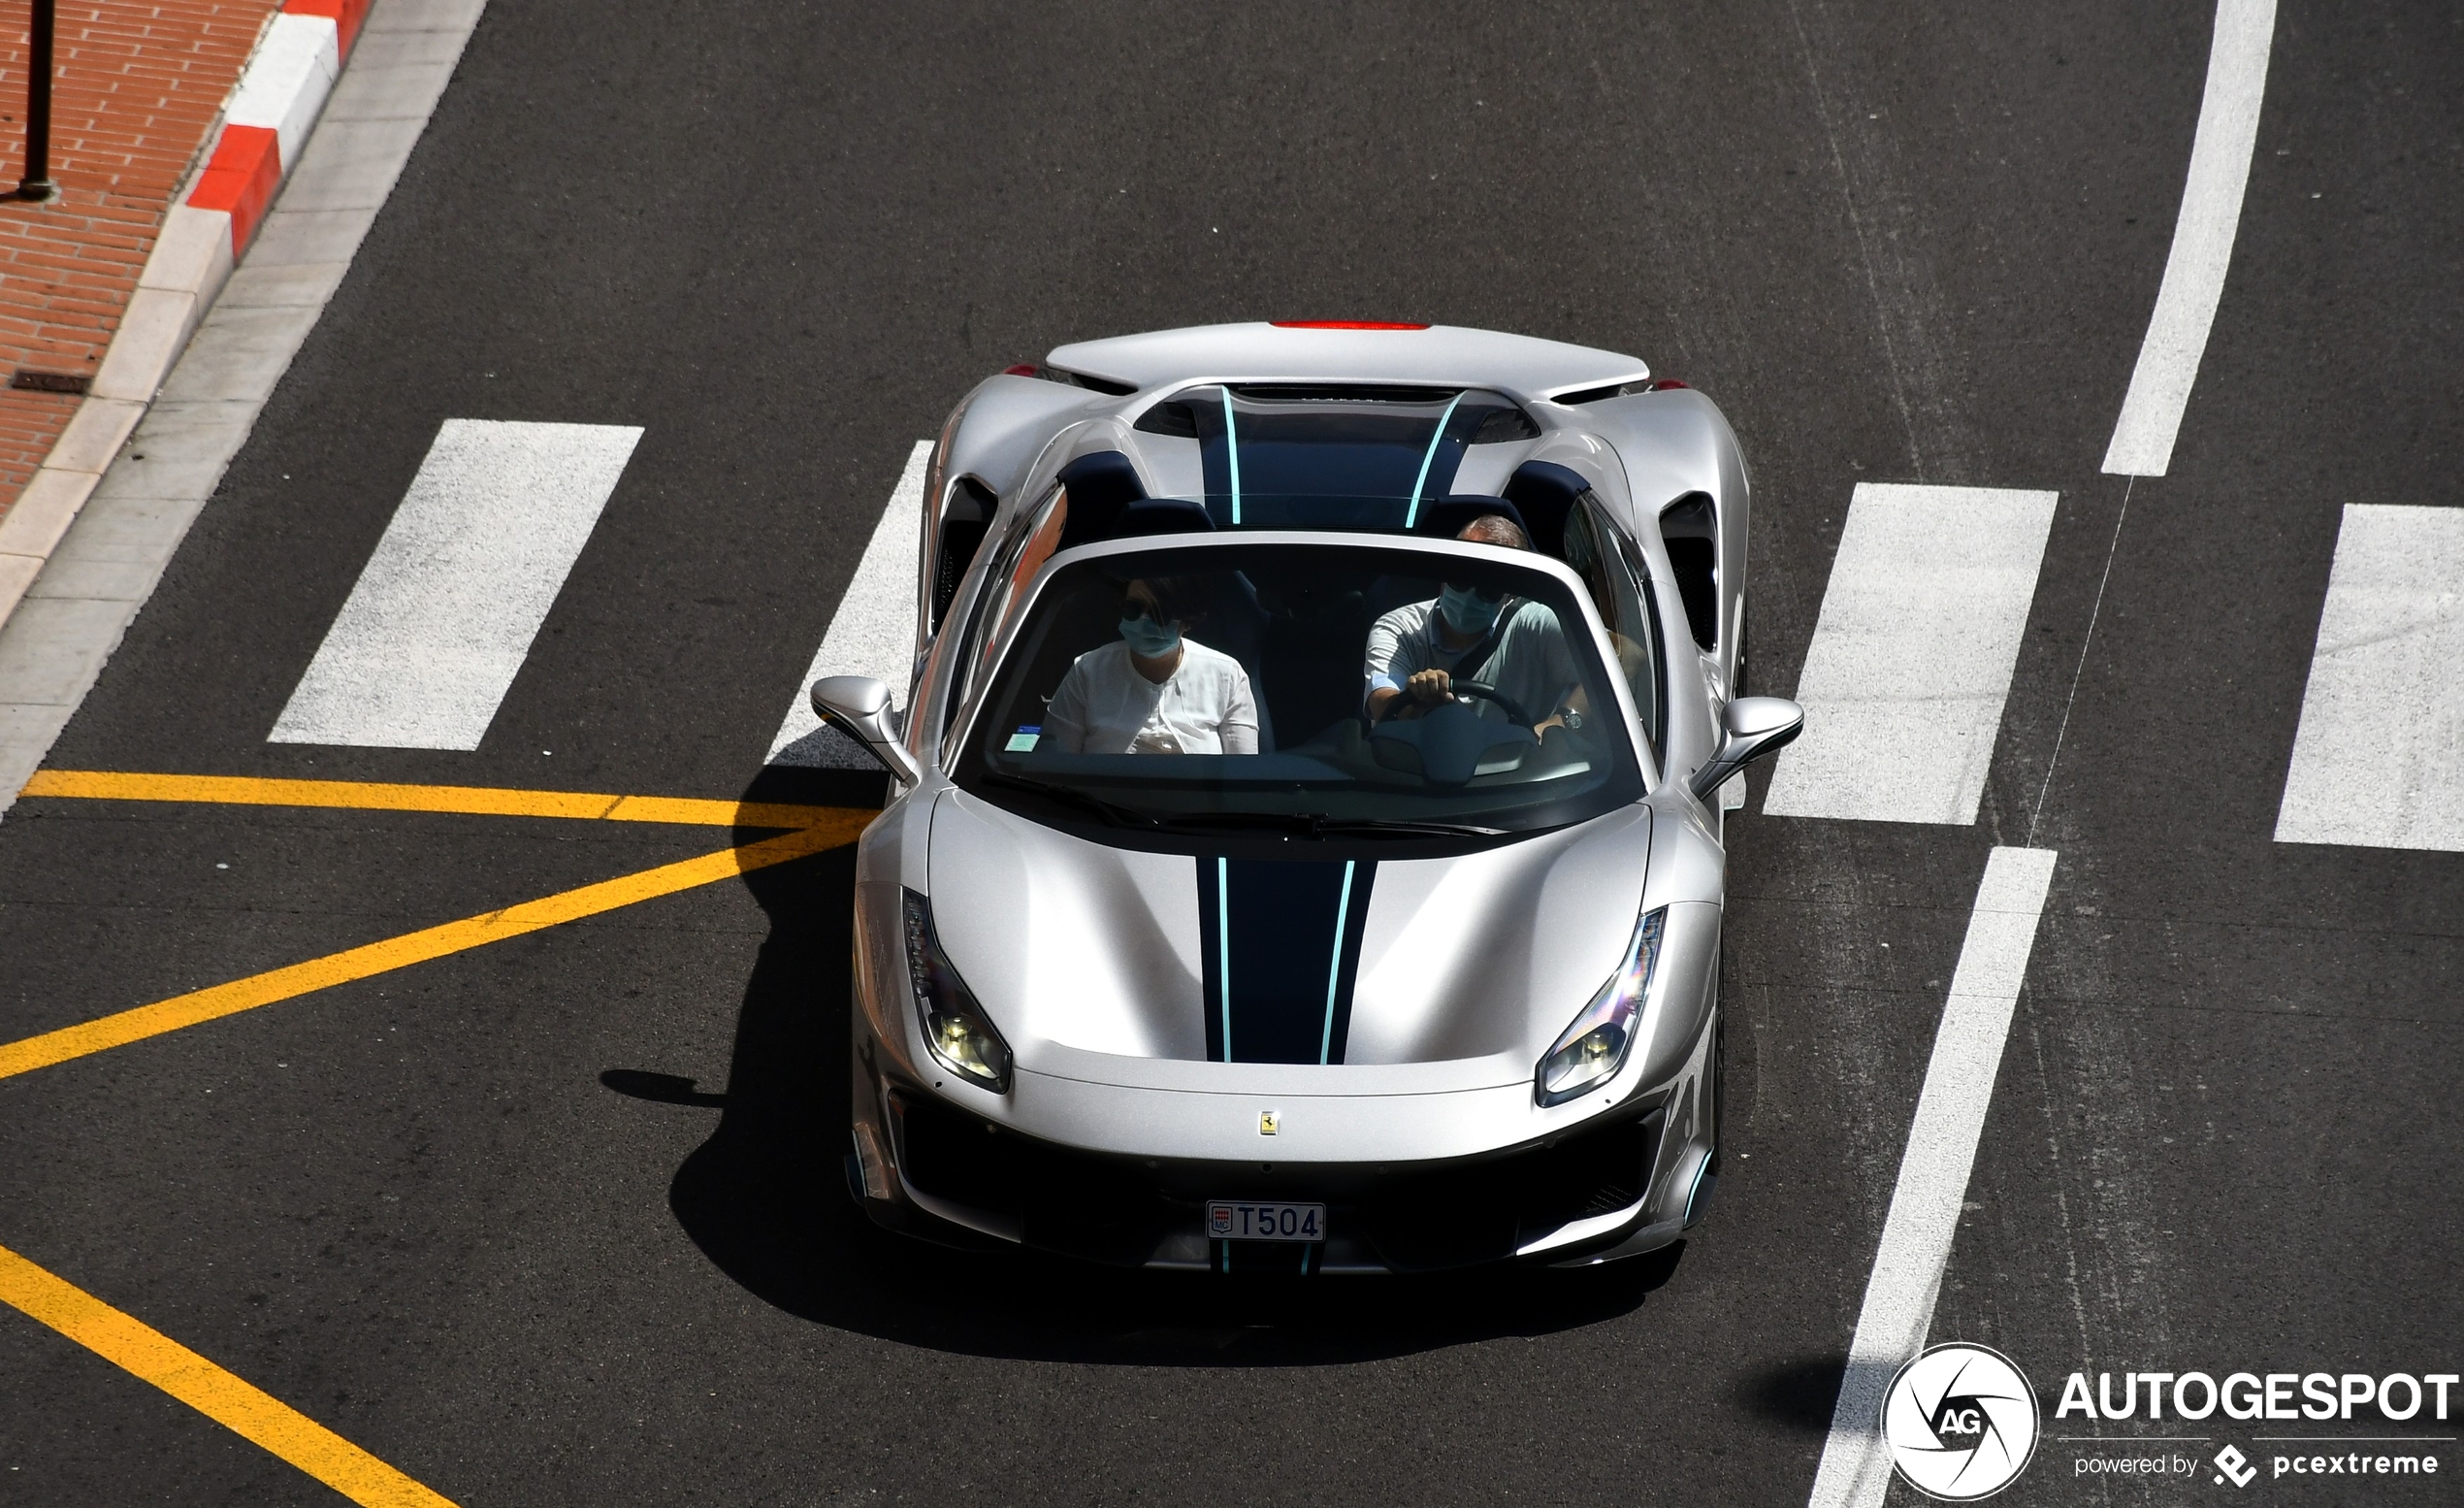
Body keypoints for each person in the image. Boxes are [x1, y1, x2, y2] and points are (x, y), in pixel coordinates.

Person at [1364, 514, 1585, 732]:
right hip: (1413, 764)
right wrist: (1415, 701)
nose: (1470, 592)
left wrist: (1561, 722)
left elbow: (1617, 657)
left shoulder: (1537, 625)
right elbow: (1381, 703)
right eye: (1461, 577)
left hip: (1520, 766)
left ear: (1511, 595)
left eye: (1488, 587)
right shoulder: (1399, 628)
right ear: (1444, 574)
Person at [1045, 577, 1259, 754]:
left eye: (1159, 614)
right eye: (1134, 608)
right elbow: (1054, 764)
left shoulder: (1227, 676)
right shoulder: (1088, 671)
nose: (1143, 621)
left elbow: (1243, 774)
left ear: (1187, 621)